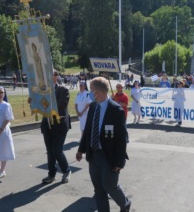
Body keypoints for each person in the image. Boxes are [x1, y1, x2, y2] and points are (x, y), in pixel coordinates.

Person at [76, 77, 131, 212]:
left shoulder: (116, 110)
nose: (89, 92)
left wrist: (119, 162)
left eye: (91, 89)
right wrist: (81, 150)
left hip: (109, 156)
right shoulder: (93, 106)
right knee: (99, 189)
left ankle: (125, 203)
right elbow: (88, 130)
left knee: (110, 186)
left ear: (98, 92)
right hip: (93, 154)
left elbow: (122, 138)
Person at [37, 70, 72, 184]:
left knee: (57, 150)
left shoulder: (63, 89)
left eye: (51, 75)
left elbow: (61, 106)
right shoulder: (42, 90)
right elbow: (38, 104)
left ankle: (66, 171)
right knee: (49, 151)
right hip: (47, 124)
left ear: (56, 77)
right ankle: (51, 174)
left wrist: (45, 101)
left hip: (59, 125)